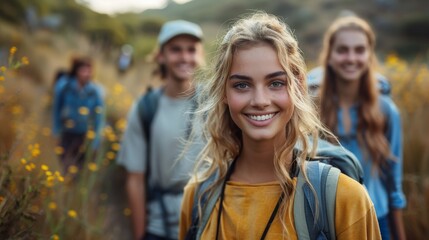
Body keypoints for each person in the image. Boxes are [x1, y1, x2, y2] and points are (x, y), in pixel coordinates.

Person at [179, 12, 381, 240]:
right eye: (242, 85)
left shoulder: (345, 199)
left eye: (276, 83)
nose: (260, 100)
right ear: (223, 92)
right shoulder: (198, 196)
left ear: (298, 85)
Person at [317, 16, 406, 240]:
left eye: (359, 50)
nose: (351, 58)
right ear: (329, 55)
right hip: (327, 224)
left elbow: (393, 184)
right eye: (342, 50)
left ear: (369, 56)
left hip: (378, 219)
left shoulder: (386, 111)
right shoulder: (312, 108)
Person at [116, 20, 204, 240]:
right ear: (160, 56)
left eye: (191, 50)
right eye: (175, 50)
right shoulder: (146, 108)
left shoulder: (215, 103)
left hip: (212, 225)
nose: (184, 57)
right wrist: (140, 235)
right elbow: (135, 179)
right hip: (160, 228)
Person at [52, 57, 104, 177]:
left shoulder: (95, 91)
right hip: (66, 133)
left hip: (83, 135)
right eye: (84, 71)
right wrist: (56, 130)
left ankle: (71, 187)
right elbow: (57, 109)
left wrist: (96, 140)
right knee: (64, 163)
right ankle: (65, 185)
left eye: (89, 71)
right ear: (76, 71)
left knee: (78, 168)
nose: (87, 74)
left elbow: (99, 117)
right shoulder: (64, 86)